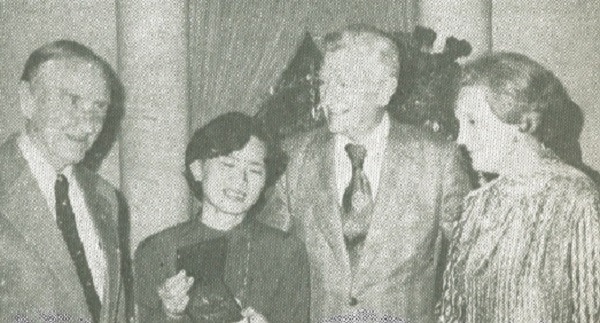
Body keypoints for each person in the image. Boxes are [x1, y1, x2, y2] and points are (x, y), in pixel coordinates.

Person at [258, 24, 472, 322]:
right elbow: (263, 253)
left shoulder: (438, 159)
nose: (326, 99)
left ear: (385, 90)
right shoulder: (294, 156)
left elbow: (472, 264)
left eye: (343, 85)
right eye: (324, 83)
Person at [439, 52, 600, 322]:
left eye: (473, 122)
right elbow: (452, 309)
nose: (461, 139)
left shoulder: (576, 200)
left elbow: (590, 311)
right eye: (459, 124)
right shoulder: (478, 204)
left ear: (522, 122)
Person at [134, 112, 310, 323]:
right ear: (197, 169)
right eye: (228, 165)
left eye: (254, 171)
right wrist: (170, 315)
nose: (241, 180)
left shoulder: (286, 252)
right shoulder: (156, 250)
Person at [0, 40, 129, 322]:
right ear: (28, 99)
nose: (87, 124)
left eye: (99, 108)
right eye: (72, 101)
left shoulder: (105, 197)